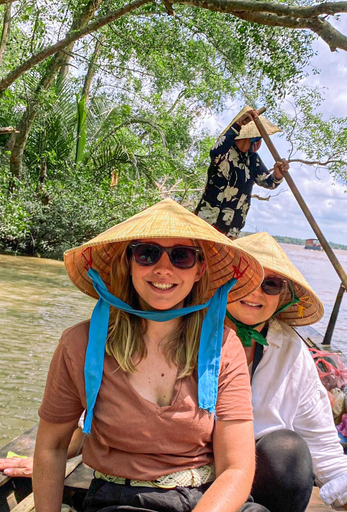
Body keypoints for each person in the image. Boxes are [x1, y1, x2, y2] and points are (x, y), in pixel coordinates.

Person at [30, 199, 268, 512]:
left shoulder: (224, 346)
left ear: (200, 270)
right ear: (130, 263)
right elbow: (52, 446)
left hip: (205, 498)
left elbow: (236, 467)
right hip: (121, 501)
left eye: (181, 256)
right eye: (148, 254)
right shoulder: (80, 344)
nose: (163, 269)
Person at [225, 232, 347, 512]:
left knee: (288, 451)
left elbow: (323, 446)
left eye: (270, 284)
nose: (254, 292)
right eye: (244, 277)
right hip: (194, 469)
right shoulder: (189, 333)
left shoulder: (290, 351)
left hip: (256, 477)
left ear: (283, 296)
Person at [195, 107, 289, 239]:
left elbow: (268, 182)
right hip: (208, 224)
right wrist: (238, 124)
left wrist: (278, 175)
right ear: (252, 138)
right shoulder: (224, 151)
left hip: (232, 230)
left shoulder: (253, 159)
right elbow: (215, 151)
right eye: (258, 139)